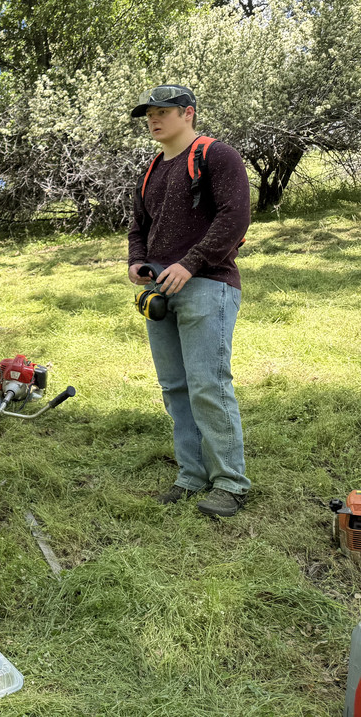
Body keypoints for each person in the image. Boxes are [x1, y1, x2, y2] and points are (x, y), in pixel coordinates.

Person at [127, 84, 251, 518]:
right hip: (159, 291)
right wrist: (137, 262)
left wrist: (191, 263)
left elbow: (235, 217)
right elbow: (138, 225)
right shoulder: (151, 170)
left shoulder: (216, 156)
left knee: (207, 385)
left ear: (188, 113)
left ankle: (231, 484)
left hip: (207, 284)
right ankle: (191, 476)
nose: (154, 119)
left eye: (163, 111)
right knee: (175, 388)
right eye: (148, 114)